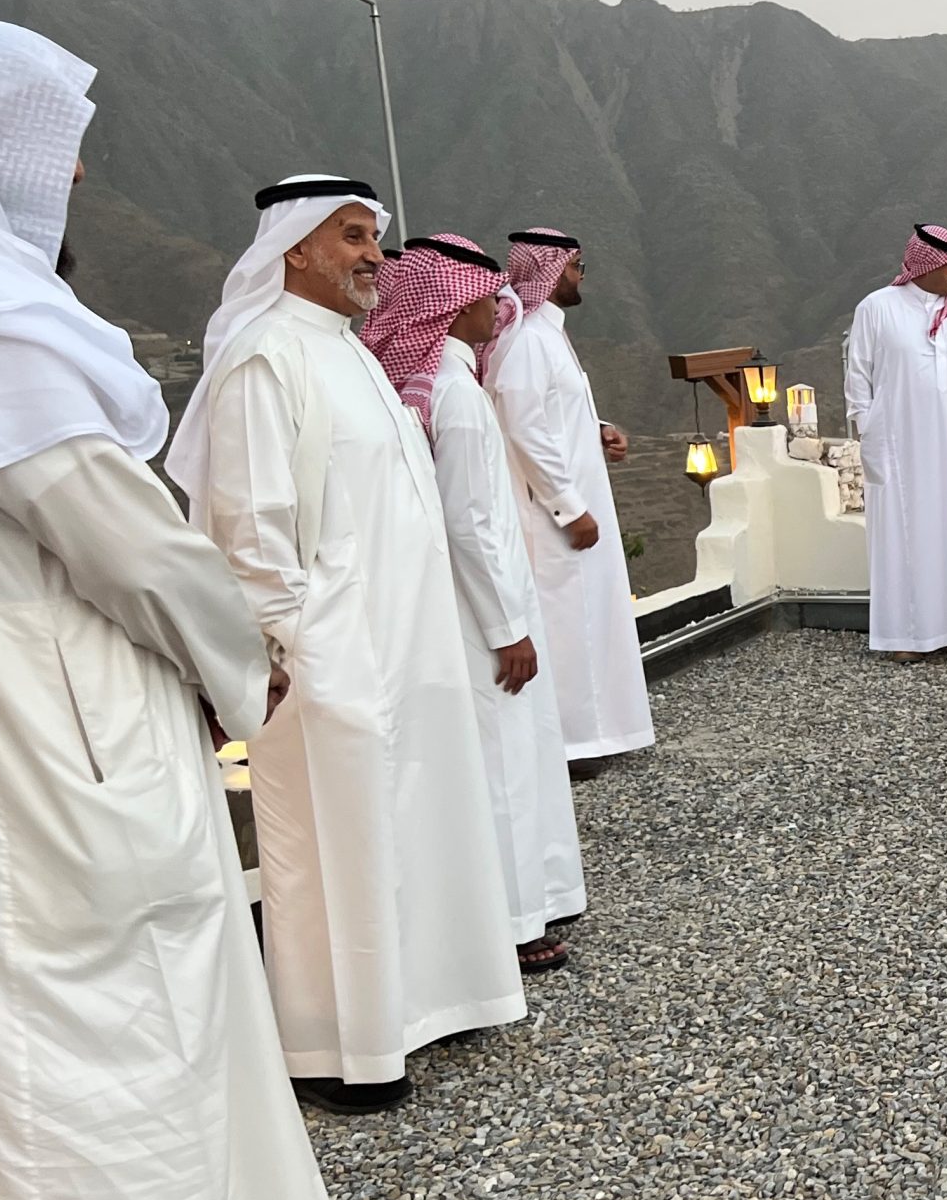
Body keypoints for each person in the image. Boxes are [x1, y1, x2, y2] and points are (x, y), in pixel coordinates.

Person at [0, 12, 327, 1200]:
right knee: (105, 1034)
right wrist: (243, 658)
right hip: (48, 732)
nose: (74, 168)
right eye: (48, 139)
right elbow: (129, 548)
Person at [170, 176, 524, 1114]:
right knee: (326, 852)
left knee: (402, 829)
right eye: (353, 237)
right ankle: (339, 1050)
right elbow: (251, 530)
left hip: (403, 644)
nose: (375, 254)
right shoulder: (264, 358)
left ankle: (420, 1008)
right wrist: (288, 652)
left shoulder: (350, 352)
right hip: (324, 656)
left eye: (376, 237)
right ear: (293, 247)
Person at [359, 237, 587, 974]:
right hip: (479, 614)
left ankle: (533, 898)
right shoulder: (455, 397)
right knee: (502, 769)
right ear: (454, 308)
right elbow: (470, 522)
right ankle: (514, 922)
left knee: (518, 757)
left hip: (485, 602)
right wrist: (506, 628)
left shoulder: (453, 382)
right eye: (489, 298)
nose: (502, 308)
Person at [485, 228, 654, 767]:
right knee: (565, 623)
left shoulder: (548, 334)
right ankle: (573, 743)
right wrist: (567, 506)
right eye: (578, 265)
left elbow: (554, 408)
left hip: (574, 503)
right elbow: (522, 423)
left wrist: (599, 427)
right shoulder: (528, 338)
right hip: (549, 515)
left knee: (588, 619)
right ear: (553, 270)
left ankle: (599, 733)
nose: (582, 275)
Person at [844, 223, 947, 661]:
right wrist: (870, 431)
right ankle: (906, 636)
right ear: (927, 264)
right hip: (899, 446)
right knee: (903, 532)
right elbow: (857, 377)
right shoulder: (877, 308)